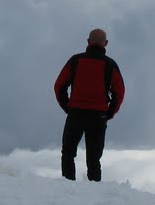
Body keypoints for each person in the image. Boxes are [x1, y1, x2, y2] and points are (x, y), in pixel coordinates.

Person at [53, 28, 125, 181]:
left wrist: (68, 106)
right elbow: (119, 92)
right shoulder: (110, 65)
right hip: (98, 116)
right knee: (93, 159)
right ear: (105, 43)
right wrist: (109, 113)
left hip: (76, 113)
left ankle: (67, 187)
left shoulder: (75, 61)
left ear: (88, 42)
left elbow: (59, 86)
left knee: (68, 153)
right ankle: (94, 193)